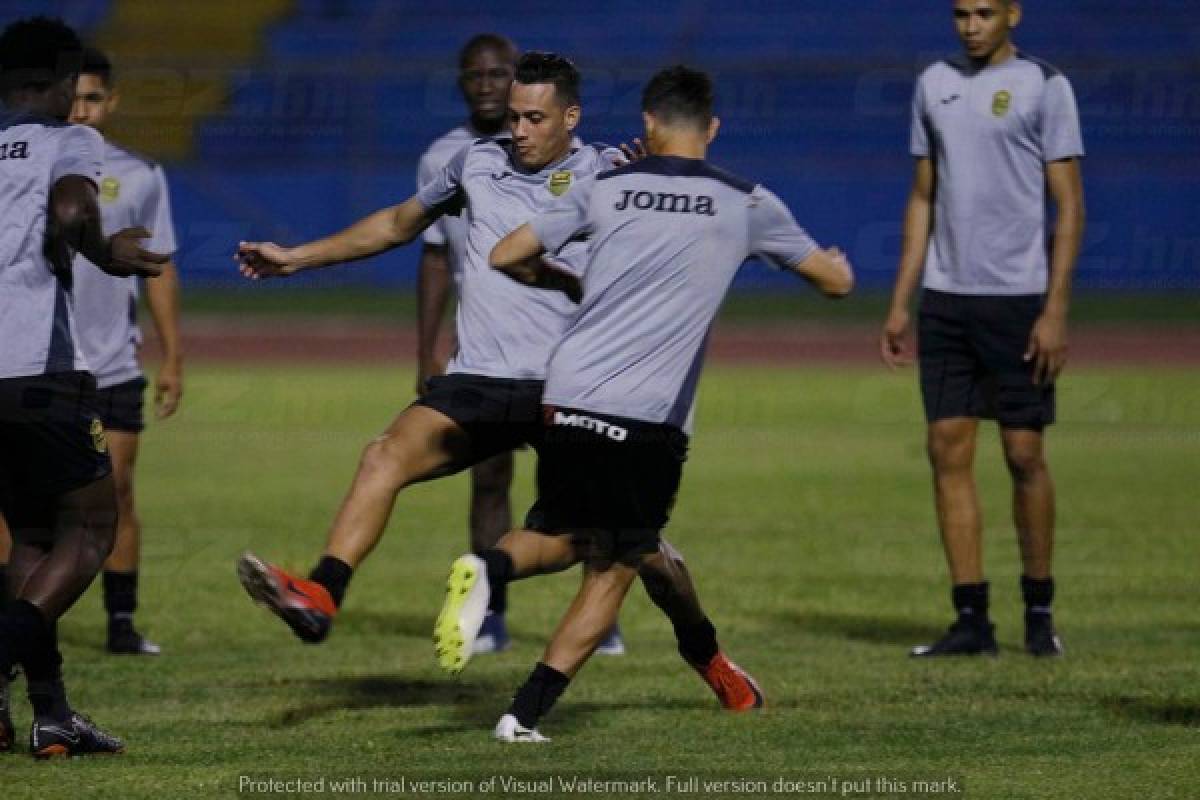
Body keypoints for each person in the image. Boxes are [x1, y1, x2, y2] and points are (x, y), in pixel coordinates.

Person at [437, 64, 853, 741]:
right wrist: (832, 261)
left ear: (649, 126)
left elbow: (509, 252)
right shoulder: (745, 203)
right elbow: (835, 283)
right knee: (613, 566)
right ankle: (521, 711)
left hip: (564, 399)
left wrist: (565, 282)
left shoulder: (607, 186)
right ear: (711, 129)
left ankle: (704, 656)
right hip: (648, 417)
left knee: (608, 545)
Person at [233, 53, 654, 654]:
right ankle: (322, 594)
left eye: (536, 118)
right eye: (515, 117)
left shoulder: (609, 171)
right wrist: (295, 258)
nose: (520, 131)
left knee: (626, 541)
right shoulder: (477, 163)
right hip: (480, 380)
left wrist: (657, 177)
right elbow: (396, 225)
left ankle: (702, 648)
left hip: (573, 385)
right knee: (383, 456)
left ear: (571, 117)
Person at [880, 0, 1085, 657]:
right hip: (946, 300)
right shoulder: (932, 84)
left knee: (1024, 454)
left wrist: (1055, 309)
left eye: (985, 13)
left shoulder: (1045, 86)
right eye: (961, 13)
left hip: (1018, 302)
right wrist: (901, 300)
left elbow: (1070, 203)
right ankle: (972, 619)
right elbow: (921, 195)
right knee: (947, 450)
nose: (971, 25)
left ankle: (1038, 610)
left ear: (1013, 15)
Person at [414, 35, 622, 656]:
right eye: (472, 74)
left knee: (587, 493)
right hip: (486, 353)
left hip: (566, 357)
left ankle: (599, 618)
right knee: (489, 480)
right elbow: (431, 257)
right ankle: (492, 613)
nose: (485, 84)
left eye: (496, 74)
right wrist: (427, 347)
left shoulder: (591, 162)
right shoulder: (450, 157)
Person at [0, 16, 167, 757]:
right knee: (92, 528)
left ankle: (50, 713)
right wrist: (107, 249)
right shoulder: (69, 138)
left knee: (33, 539)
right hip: (40, 369)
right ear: (65, 84)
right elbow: (72, 210)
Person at [65, 45, 182, 656]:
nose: (80, 110)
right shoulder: (27, 172)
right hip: (41, 366)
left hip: (113, 368)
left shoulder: (139, 176)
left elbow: (158, 270)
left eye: (92, 98)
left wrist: (173, 356)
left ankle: (120, 623)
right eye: (72, 97)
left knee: (117, 493)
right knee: (23, 498)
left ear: (111, 102)